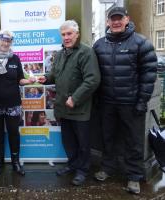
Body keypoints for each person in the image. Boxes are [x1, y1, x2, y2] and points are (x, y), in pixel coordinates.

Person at [93, 7, 157, 194]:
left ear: (127, 19)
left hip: (131, 103)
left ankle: (134, 176)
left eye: (120, 18)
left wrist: (142, 101)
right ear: (107, 22)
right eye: (113, 19)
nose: (116, 22)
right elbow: (94, 75)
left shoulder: (140, 42)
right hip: (106, 103)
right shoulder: (99, 44)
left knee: (134, 141)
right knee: (107, 138)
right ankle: (107, 168)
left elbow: (149, 74)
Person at [38, 20, 100, 186]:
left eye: (69, 34)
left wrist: (75, 98)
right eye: (63, 34)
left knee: (83, 143)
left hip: (79, 109)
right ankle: (72, 164)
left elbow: (92, 80)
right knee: (69, 141)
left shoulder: (86, 52)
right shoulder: (60, 54)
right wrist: (46, 78)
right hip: (63, 108)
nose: (66, 37)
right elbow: (55, 74)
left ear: (77, 34)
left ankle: (83, 170)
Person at [0, 29, 36, 177]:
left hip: (13, 103)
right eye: (4, 40)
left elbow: (19, 79)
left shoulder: (15, 59)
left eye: (9, 41)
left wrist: (28, 81)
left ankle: (15, 163)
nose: (6, 43)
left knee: (14, 133)